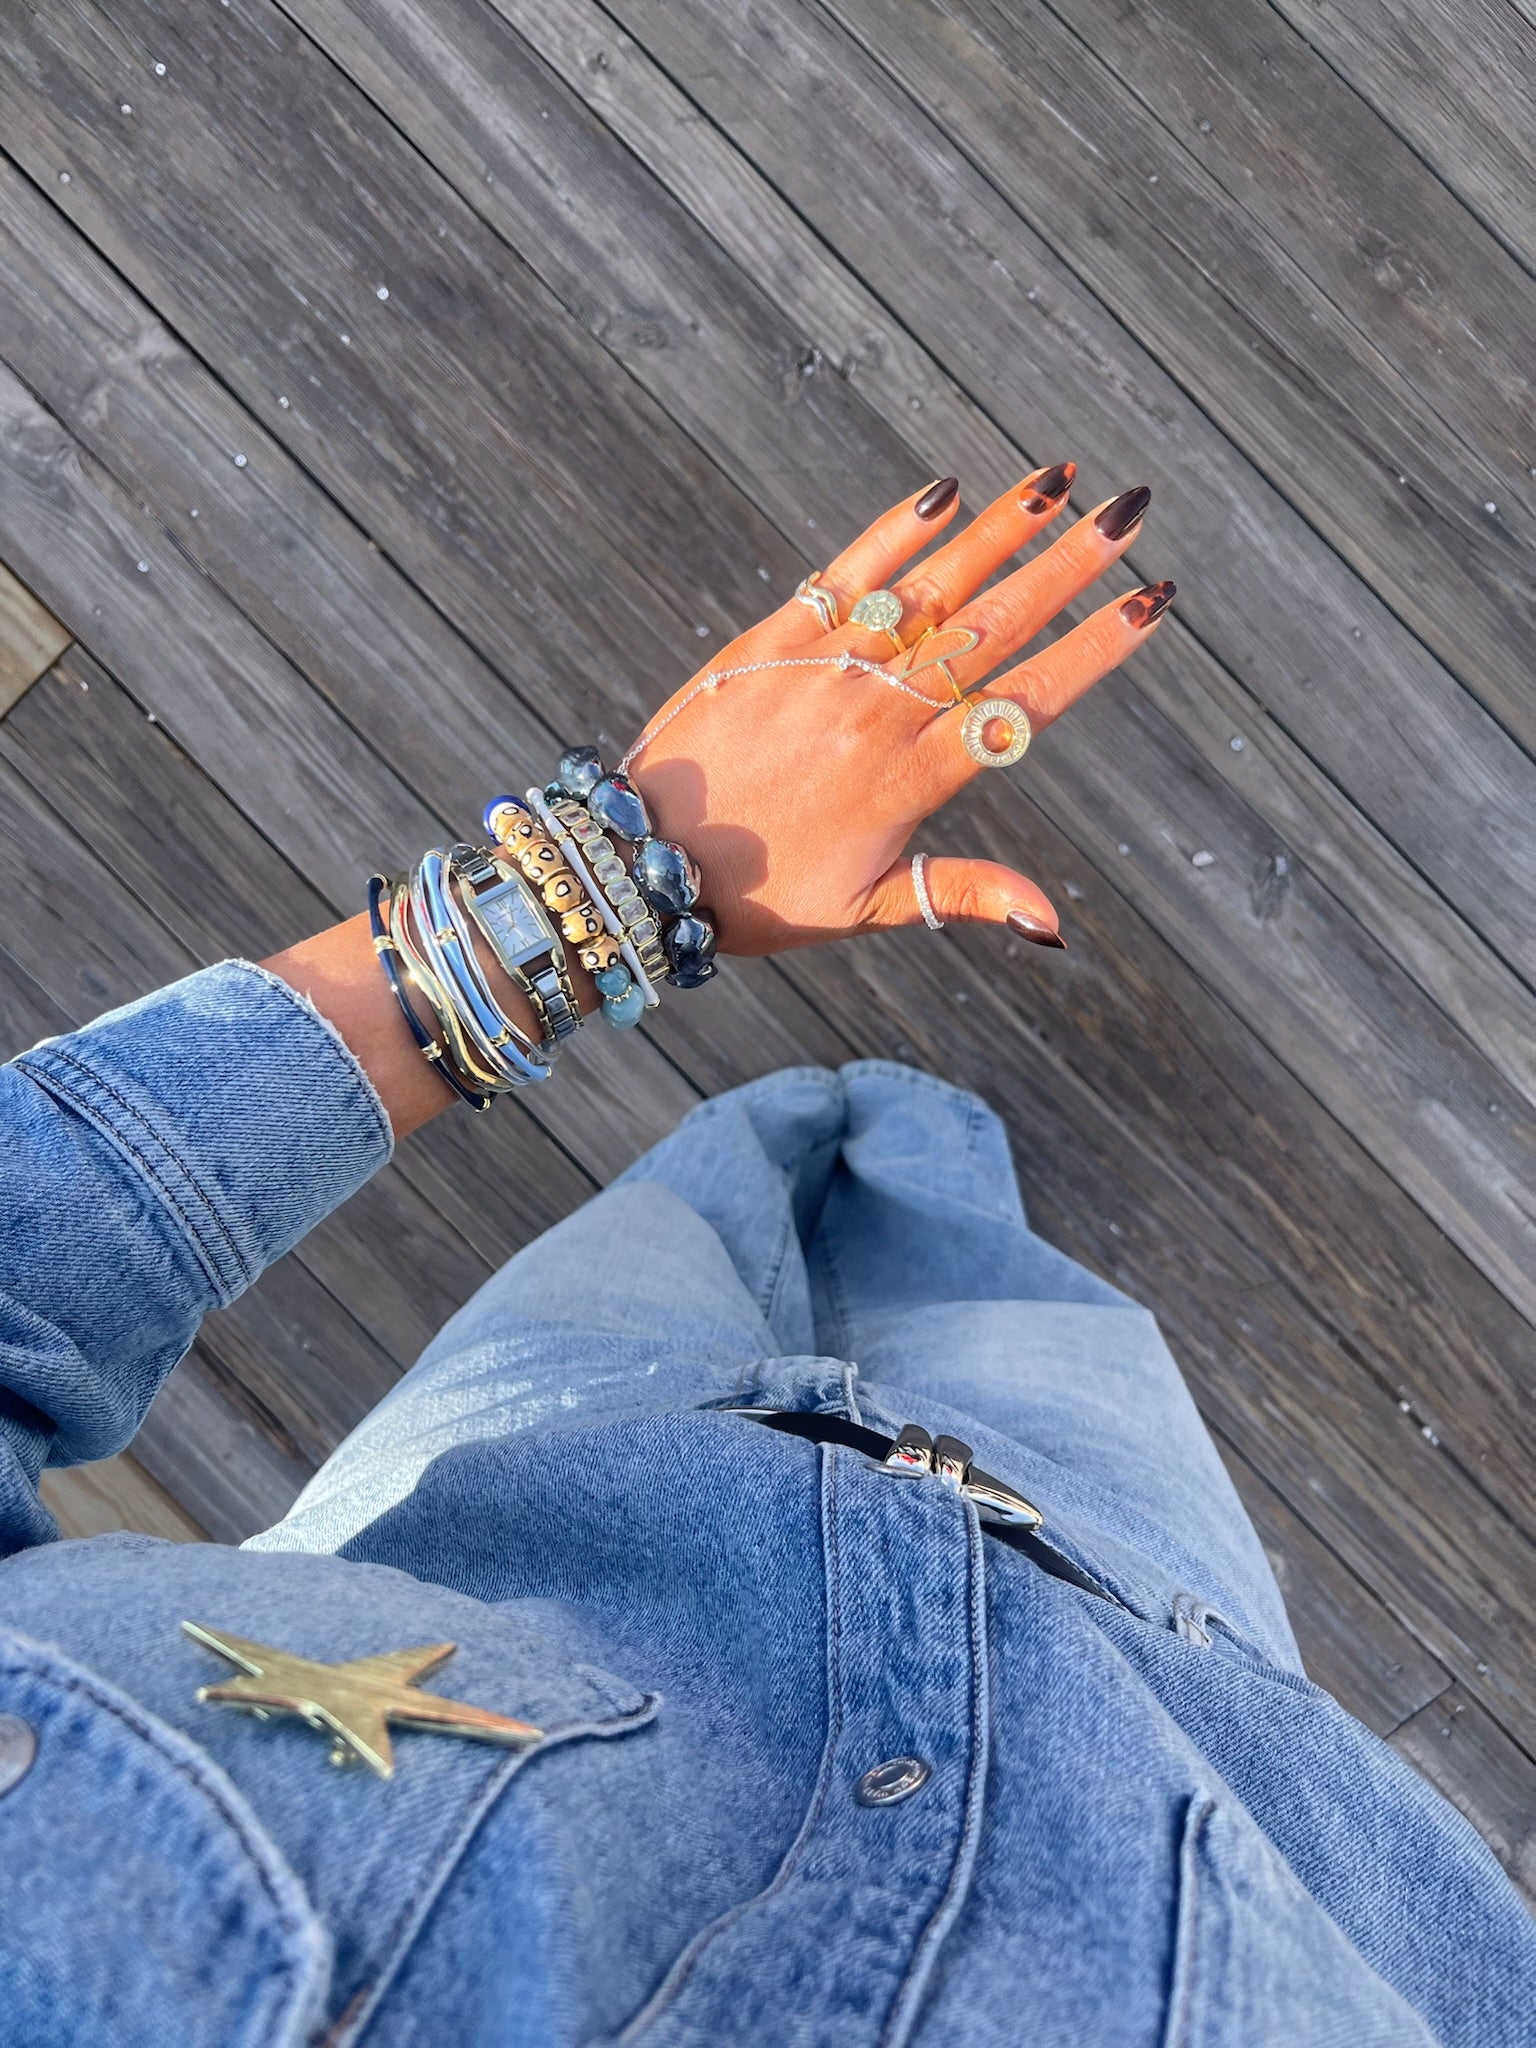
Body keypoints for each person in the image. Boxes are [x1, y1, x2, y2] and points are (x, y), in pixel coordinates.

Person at [0, 471, 1528, 2048]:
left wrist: (581, 900)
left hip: (539, 1471)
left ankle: (854, 1108)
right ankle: (924, 1124)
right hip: (1142, 1649)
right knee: (956, 1219)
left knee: (749, 1159)